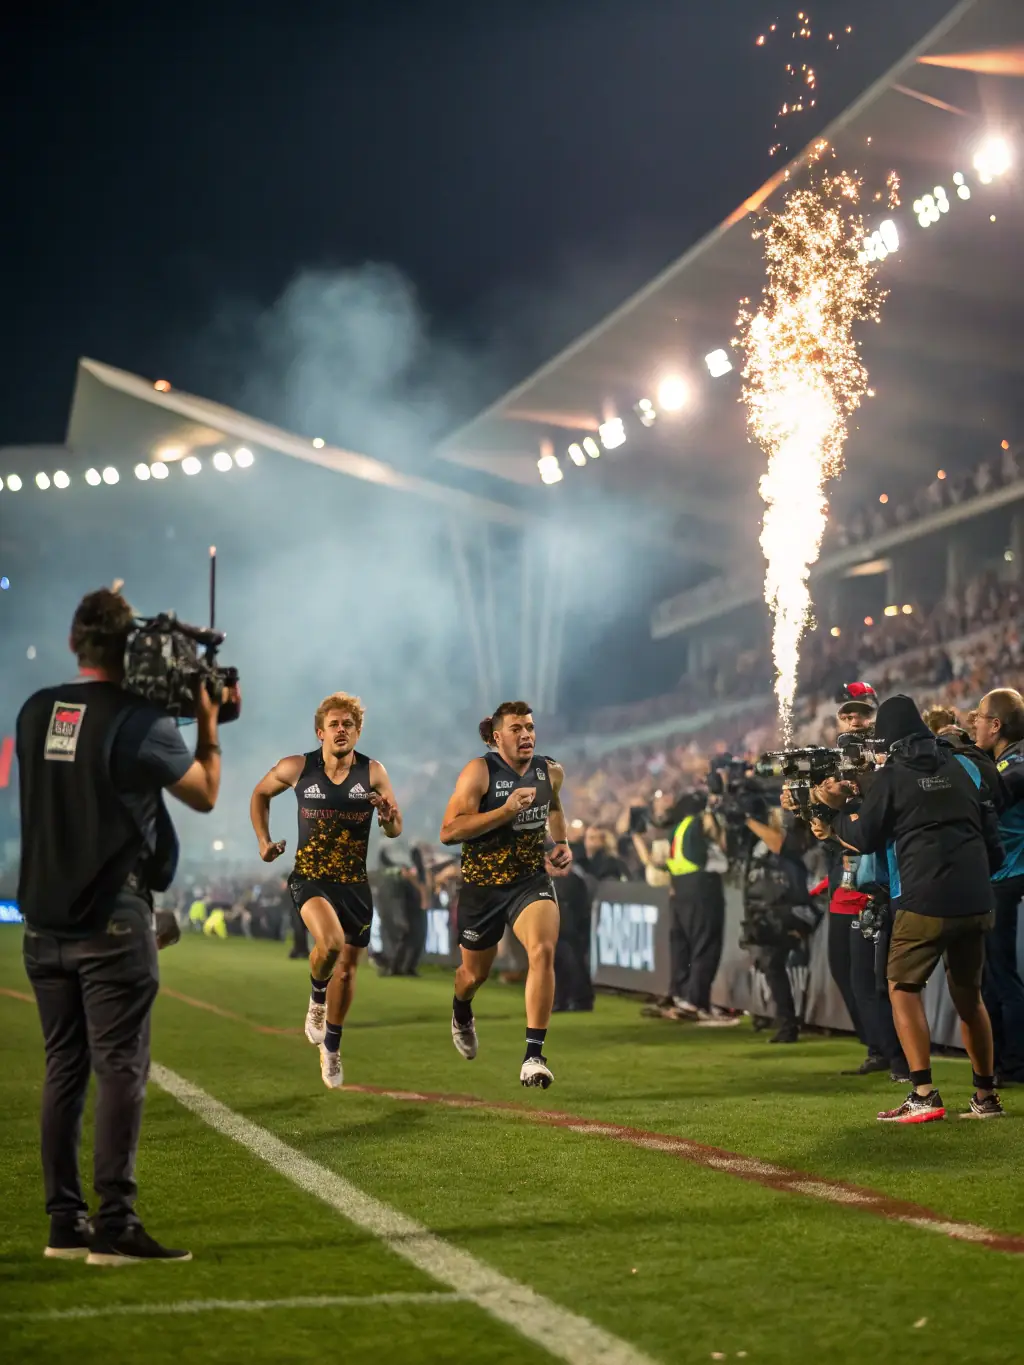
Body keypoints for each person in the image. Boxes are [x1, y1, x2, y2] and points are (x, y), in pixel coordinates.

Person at [18, 587, 234, 1265]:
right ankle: (114, 1225)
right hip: (112, 920)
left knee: (63, 1070)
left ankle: (65, 1222)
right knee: (120, 1070)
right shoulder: (142, 721)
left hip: (42, 923)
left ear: (72, 642)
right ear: (133, 648)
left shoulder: (32, 712)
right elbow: (202, 792)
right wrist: (207, 725)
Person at [817, 694, 1006, 1123]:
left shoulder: (895, 773)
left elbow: (863, 836)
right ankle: (986, 1097)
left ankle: (922, 1092)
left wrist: (836, 811)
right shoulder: (962, 764)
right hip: (976, 898)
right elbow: (991, 829)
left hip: (924, 898)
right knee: (969, 997)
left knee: (902, 989)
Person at [249, 692, 402, 1089]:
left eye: (348, 724)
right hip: (311, 878)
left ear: (357, 731)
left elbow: (394, 827)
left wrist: (387, 818)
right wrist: (264, 841)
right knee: (330, 943)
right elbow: (260, 794)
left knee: (349, 974)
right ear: (320, 732)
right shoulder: (298, 767)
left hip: (354, 884)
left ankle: (331, 1047)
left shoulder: (373, 772)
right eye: (333, 724)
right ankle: (316, 1000)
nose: (340, 729)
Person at [439, 701, 571, 1087]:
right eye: (516, 728)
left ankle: (534, 1056)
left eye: (529, 726)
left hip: (529, 881)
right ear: (498, 737)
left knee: (543, 951)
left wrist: (560, 841)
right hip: (482, 889)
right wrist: (505, 811)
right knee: (471, 975)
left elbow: (555, 804)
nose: (526, 734)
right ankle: (461, 1011)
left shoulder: (550, 771)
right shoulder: (479, 772)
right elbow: (449, 831)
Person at [972, 688, 1024, 1084]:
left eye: (979, 716)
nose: (973, 722)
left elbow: (988, 798)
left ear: (996, 724)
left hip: (1007, 876)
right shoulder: (1006, 761)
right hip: (998, 877)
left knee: (1002, 975)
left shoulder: (1016, 763)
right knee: (993, 975)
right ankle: (1001, 1062)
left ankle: (1015, 1063)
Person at [664, 792, 728, 1022]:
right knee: (706, 946)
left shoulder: (678, 828)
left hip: (680, 888)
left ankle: (681, 997)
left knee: (684, 947)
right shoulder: (700, 823)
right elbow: (721, 844)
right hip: (702, 886)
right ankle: (696, 1002)